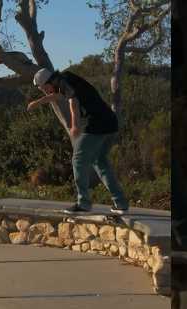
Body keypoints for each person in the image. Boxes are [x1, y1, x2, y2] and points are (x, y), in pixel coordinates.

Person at [27, 68, 129, 214]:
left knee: (78, 160)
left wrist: (74, 125)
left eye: (44, 88)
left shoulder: (64, 83)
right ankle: (120, 203)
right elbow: (57, 95)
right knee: (100, 161)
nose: (45, 92)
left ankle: (84, 204)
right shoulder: (66, 80)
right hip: (111, 122)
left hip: (96, 125)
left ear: (49, 82)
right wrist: (38, 102)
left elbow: (73, 102)